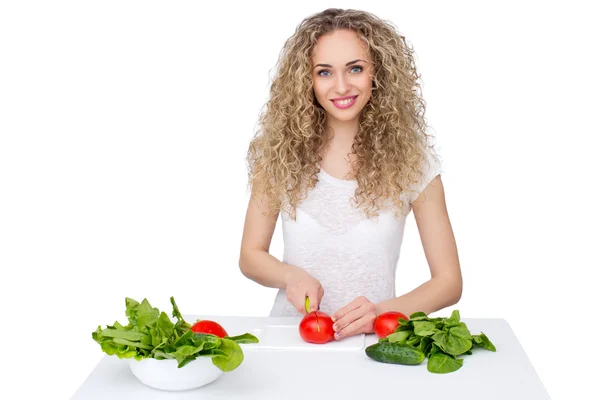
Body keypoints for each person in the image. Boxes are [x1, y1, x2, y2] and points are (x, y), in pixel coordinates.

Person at [239, 8, 462, 341]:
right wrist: (289, 276)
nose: (341, 86)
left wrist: (382, 313)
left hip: (373, 344)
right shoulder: (277, 155)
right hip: (290, 338)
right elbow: (250, 255)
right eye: (324, 72)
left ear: (378, 73)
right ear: (307, 80)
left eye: (355, 69)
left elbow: (448, 282)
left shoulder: (415, 162)